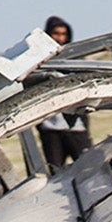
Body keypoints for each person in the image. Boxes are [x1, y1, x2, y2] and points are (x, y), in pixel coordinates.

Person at [35, 16, 92, 172]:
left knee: (87, 169)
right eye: (56, 33)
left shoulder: (75, 58)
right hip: (50, 126)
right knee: (55, 171)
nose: (60, 38)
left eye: (63, 34)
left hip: (76, 127)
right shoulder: (39, 59)